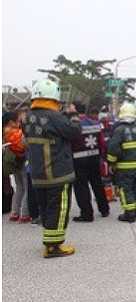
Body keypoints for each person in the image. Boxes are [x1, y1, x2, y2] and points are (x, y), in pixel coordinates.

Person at [23, 79, 82, 258]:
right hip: (58, 173)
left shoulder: (27, 118)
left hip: (38, 174)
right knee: (59, 209)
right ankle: (53, 247)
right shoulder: (55, 117)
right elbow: (73, 131)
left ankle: (49, 242)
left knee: (46, 209)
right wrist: (73, 115)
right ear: (54, 99)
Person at [107, 103, 136, 223]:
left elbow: (113, 147)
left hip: (124, 167)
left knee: (126, 189)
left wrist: (111, 162)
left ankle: (129, 214)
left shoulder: (119, 130)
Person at [71, 102, 110, 222]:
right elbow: (102, 143)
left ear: (75, 110)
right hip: (94, 158)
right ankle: (104, 209)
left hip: (78, 159)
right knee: (97, 183)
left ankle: (87, 214)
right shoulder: (95, 124)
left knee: (81, 187)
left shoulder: (73, 125)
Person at [3, 111, 30, 222]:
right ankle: (24, 213)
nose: (20, 123)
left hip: (14, 162)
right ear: (11, 122)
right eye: (18, 121)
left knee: (19, 187)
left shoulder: (4, 132)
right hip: (22, 161)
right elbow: (24, 144)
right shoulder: (15, 133)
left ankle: (14, 212)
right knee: (26, 187)